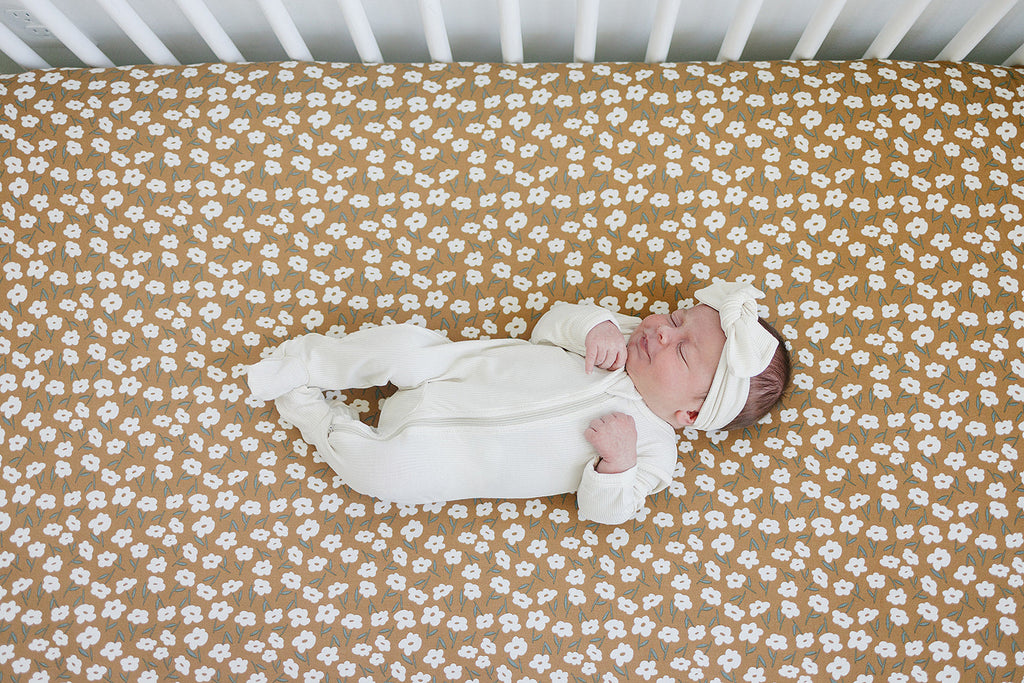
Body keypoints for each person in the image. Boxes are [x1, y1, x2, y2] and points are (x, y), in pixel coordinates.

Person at [247, 280, 790, 524]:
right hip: (456, 369)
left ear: (689, 415)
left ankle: (313, 415)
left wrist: (615, 466)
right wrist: (593, 323)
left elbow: (610, 513)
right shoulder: (618, 335)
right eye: (674, 320)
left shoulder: (651, 453)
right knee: (404, 345)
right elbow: (548, 324)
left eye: (682, 352)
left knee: (382, 476)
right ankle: (309, 364)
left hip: (452, 457)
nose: (661, 333)